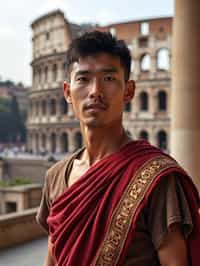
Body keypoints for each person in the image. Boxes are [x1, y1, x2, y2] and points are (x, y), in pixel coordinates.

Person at [36, 31, 200, 266]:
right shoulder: (55, 176)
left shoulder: (158, 177)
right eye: (83, 79)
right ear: (66, 92)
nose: (95, 91)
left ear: (129, 90)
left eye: (109, 78)